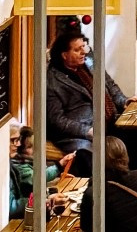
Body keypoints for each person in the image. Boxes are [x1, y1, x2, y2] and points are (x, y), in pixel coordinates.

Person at [44, 25, 126, 155]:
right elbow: (57, 120)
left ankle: (129, 169)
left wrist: (124, 101)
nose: (83, 52)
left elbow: (110, 86)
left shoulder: (90, 62)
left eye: (84, 46)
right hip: (81, 134)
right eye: (77, 49)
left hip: (110, 121)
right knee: (89, 154)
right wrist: (86, 131)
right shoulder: (53, 81)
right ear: (65, 55)